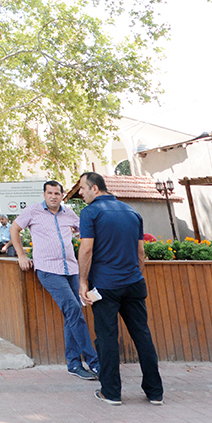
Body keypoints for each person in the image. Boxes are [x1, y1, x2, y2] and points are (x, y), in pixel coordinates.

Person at [77, 171, 163, 406]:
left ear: (95, 188)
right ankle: (155, 392)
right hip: (134, 284)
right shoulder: (131, 212)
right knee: (142, 336)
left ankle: (111, 392)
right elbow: (140, 254)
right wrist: (134, 275)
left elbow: (86, 250)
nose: (81, 193)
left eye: (83, 188)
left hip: (105, 286)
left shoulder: (90, 212)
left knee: (107, 339)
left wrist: (82, 281)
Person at [9, 181, 99, 380]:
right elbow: (14, 229)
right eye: (50, 193)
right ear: (44, 194)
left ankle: (74, 364)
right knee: (74, 309)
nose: (53, 196)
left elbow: (83, 230)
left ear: (62, 195)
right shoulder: (33, 212)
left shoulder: (69, 214)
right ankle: (95, 362)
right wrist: (21, 255)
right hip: (48, 270)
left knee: (72, 313)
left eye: (57, 193)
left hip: (71, 268)